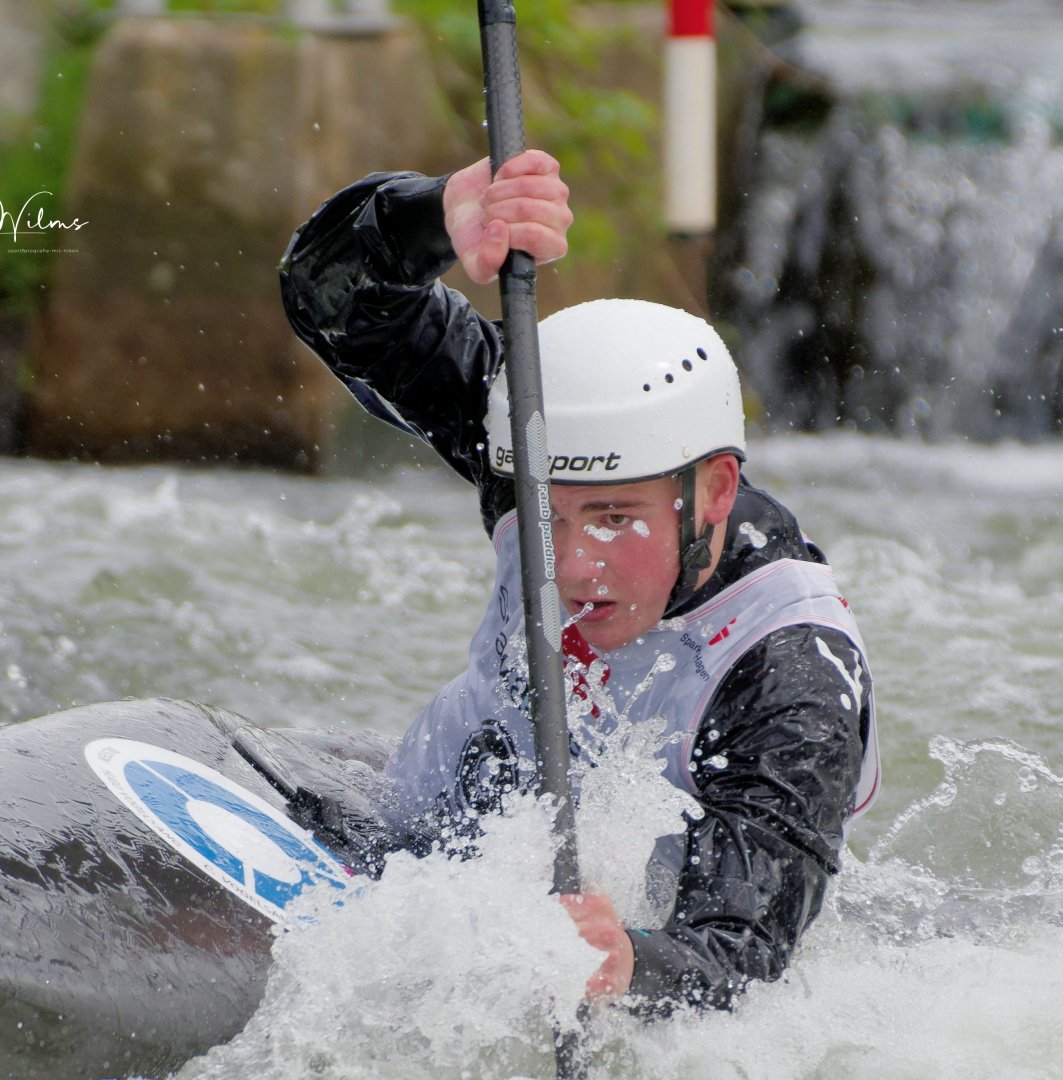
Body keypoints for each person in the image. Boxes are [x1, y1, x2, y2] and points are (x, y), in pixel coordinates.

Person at [278, 153, 879, 1014]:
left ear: (709, 490)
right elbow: (331, 297)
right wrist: (435, 219)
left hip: (606, 922)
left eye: (611, 520)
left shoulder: (788, 680)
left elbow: (738, 955)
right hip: (407, 832)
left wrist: (629, 961)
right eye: (546, 516)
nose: (569, 566)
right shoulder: (528, 437)